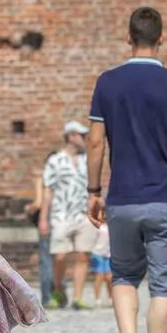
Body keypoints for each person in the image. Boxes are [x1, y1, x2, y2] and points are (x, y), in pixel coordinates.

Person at [86, 6, 167, 333]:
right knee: (165, 285)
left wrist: (93, 191)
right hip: (165, 199)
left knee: (124, 276)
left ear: (128, 38)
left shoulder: (107, 83)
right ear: (160, 38)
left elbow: (96, 142)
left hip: (121, 199)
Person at [42, 120, 97, 310]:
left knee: (83, 255)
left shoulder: (87, 159)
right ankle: (58, 289)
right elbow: (48, 190)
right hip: (60, 214)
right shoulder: (55, 160)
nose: (85, 139)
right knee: (59, 255)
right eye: (82, 135)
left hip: (83, 214)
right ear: (71, 136)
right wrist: (44, 217)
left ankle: (78, 297)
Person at [24, 154, 55, 307]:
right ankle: (59, 294)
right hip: (62, 218)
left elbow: (38, 203)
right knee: (59, 259)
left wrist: (28, 209)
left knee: (46, 260)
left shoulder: (42, 178)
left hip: (47, 219)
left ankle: (48, 298)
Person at [91, 222, 113, 307]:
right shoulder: (97, 227)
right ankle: (97, 299)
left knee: (109, 277)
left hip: (109, 254)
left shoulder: (112, 226)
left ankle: (111, 297)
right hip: (97, 253)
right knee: (99, 276)